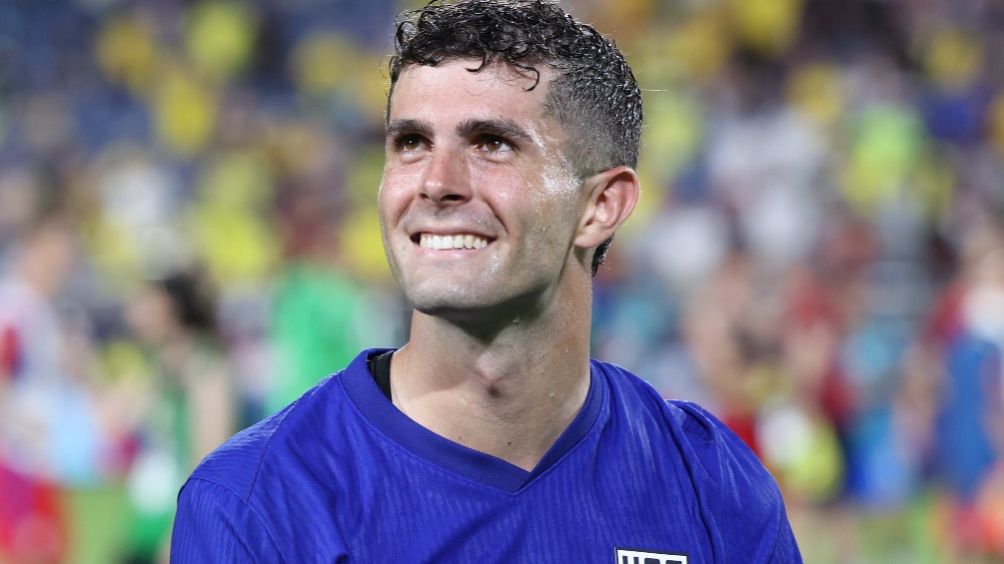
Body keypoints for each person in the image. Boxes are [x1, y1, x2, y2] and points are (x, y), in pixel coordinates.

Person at [171, 1, 802, 561]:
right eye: (411, 142)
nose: (436, 182)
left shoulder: (712, 484)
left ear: (600, 206)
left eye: (492, 143)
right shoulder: (257, 502)